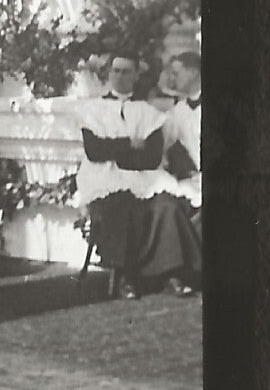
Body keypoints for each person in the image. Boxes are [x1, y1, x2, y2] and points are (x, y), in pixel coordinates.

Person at [74, 54, 202, 300]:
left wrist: (118, 153)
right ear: (109, 74)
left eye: (126, 72)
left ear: (136, 76)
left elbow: (152, 157)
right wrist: (129, 144)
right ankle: (126, 276)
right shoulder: (92, 110)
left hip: (144, 178)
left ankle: (170, 273)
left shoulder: (147, 112)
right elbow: (95, 151)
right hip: (104, 178)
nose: (120, 77)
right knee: (122, 205)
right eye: (116, 71)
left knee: (167, 205)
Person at [163, 50, 202, 212]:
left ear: (193, 73)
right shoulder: (177, 112)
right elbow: (164, 146)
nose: (172, 78)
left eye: (176, 73)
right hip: (193, 182)